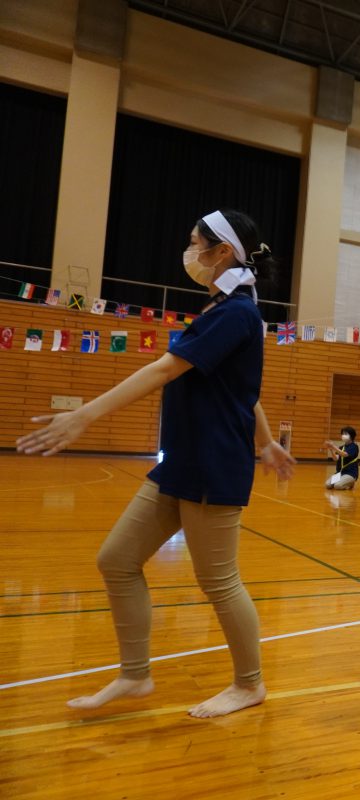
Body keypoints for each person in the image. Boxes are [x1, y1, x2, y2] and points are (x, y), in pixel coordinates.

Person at [15, 209, 296, 718]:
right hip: (182, 463)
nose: (189, 251)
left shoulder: (237, 313)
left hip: (213, 466)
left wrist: (85, 415)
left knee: (218, 581)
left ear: (222, 252)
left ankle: (249, 684)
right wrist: (267, 441)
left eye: (195, 242)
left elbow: (167, 368)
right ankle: (134, 675)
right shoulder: (220, 310)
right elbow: (241, 388)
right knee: (117, 560)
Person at [324, 425, 358, 490]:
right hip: (340, 473)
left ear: (351, 436)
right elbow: (335, 458)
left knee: (337, 486)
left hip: (350, 474)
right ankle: (345, 482)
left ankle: (351, 482)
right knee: (328, 485)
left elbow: (345, 454)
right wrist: (331, 449)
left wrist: (333, 446)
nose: (343, 435)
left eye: (345, 434)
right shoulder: (341, 447)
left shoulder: (354, 446)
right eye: (342, 434)